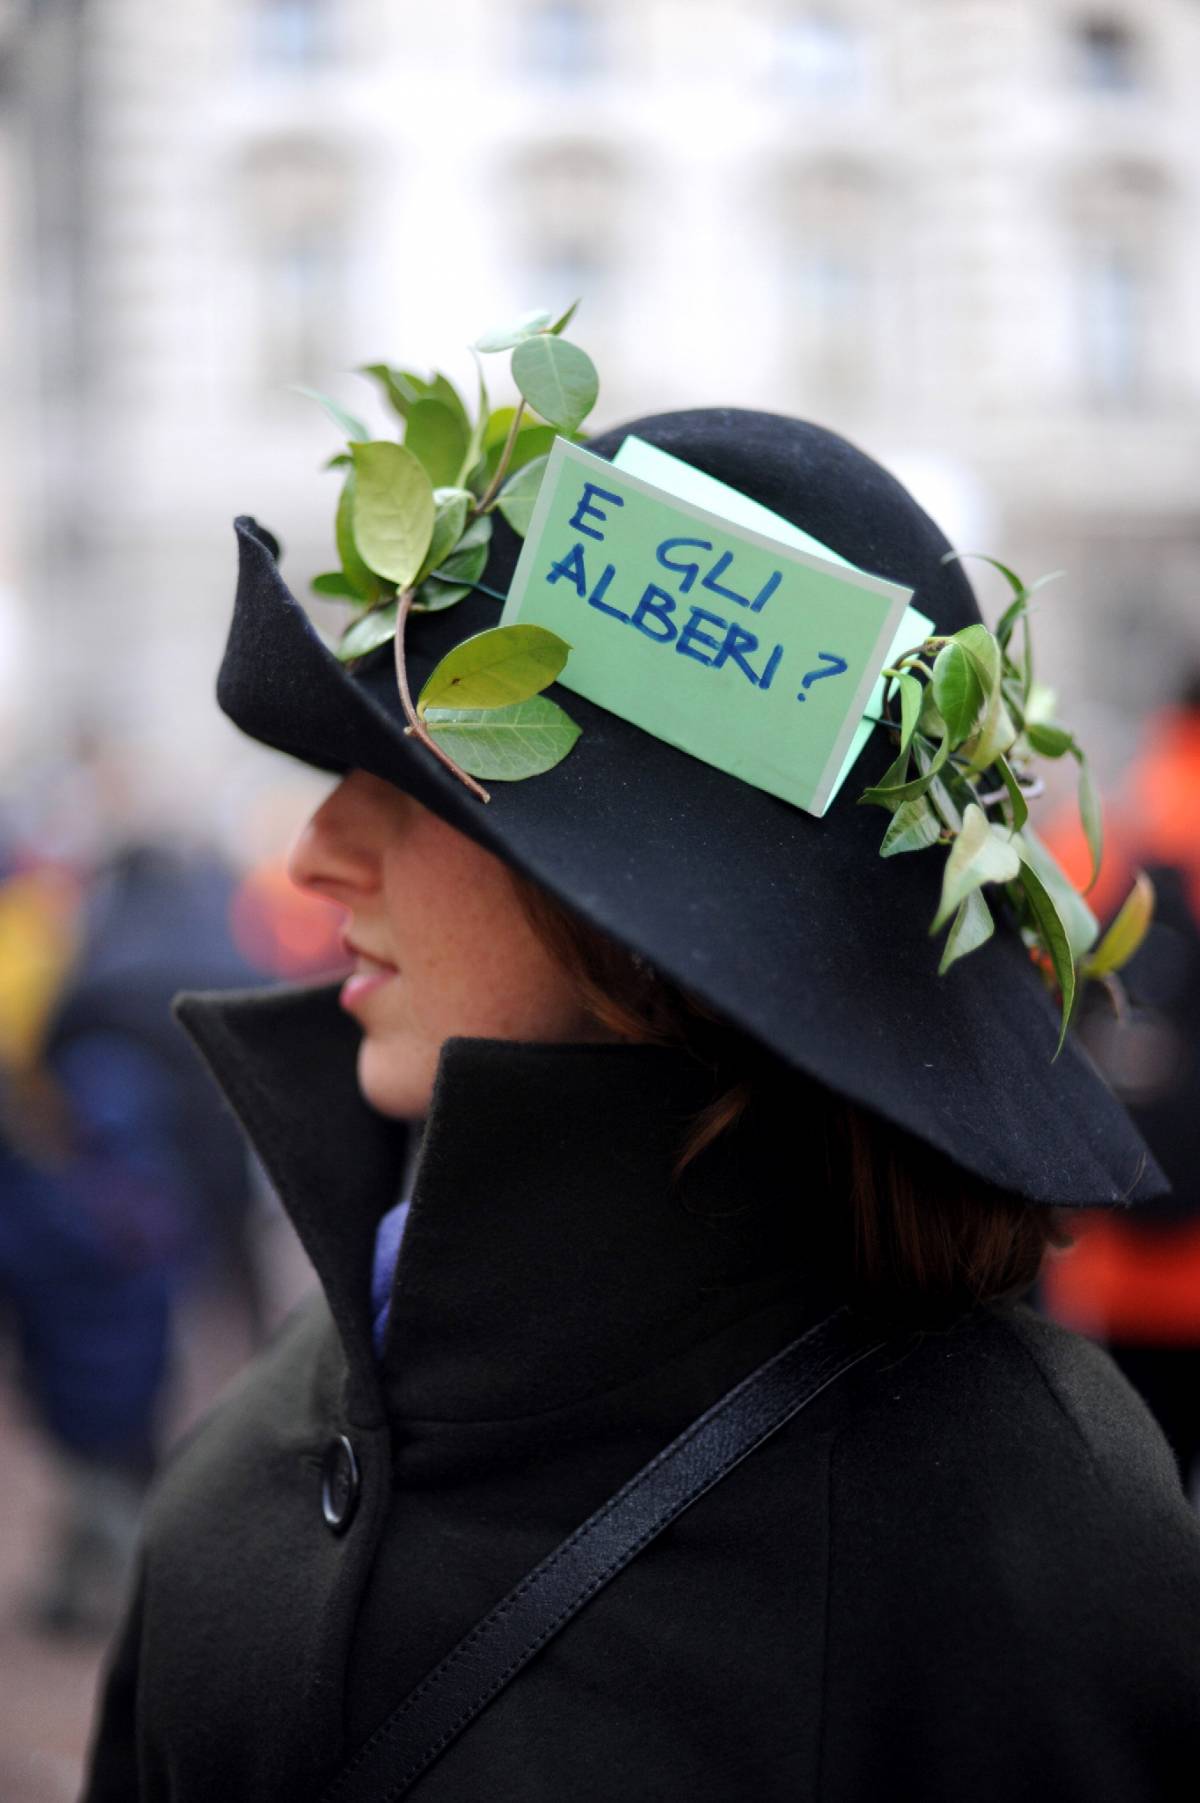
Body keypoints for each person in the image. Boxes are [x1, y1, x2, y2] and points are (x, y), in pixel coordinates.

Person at [84, 410, 1200, 1802]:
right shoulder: (273, 1422)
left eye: (415, 776)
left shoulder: (1026, 1528)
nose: (315, 854)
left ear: (658, 919)